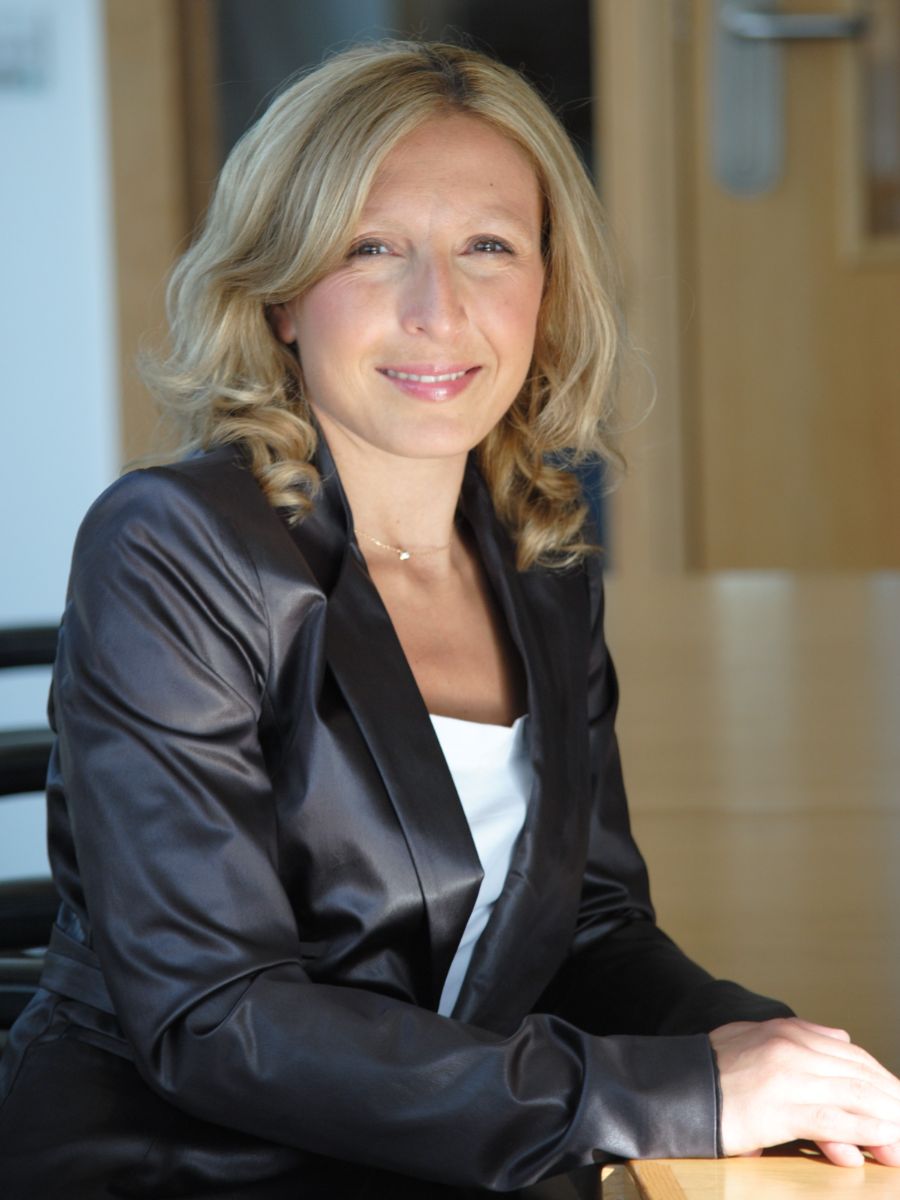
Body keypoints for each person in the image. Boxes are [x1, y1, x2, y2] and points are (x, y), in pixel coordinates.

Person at [1, 39, 899, 1200]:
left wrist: (786, 1066)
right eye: (373, 250)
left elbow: (590, 933)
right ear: (279, 294)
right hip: (181, 1164)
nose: (440, 311)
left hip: (439, 1156)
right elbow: (214, 1020)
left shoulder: (535, 560)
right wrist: (676, 1091)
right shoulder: (174, 544)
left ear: (545, 287)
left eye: (489, 248)